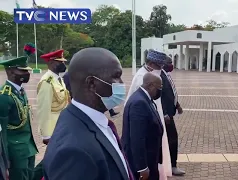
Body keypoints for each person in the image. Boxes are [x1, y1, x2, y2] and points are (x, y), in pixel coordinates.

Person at [43, 47, 133, 180]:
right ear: (92, 84)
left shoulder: (83, 119)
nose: (122, 84)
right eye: (116, 76)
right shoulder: (74, 152)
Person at [126, 49, 172, 179]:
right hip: (145, 156)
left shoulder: (149, 79)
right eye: (159, 66)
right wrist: (142, 167)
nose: (161, 68)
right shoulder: (142, 79)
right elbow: (137, 138)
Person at [34, 49, 70, 180]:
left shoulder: (58, 79)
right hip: (53, 129)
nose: (63, 64)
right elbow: (43, 110)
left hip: (62, 126)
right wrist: (46, 134)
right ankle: (33, 176)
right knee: (52, 158)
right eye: (60, 62)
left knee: (56, 157)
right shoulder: (46, 82)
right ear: (52, 63)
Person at [0, 56, 38, 180]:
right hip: (15, 152)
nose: (27, 73)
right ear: (11, 72)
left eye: (27, 70)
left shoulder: (20, 91)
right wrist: (5, 160)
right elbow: (2, 132)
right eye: (23, 71)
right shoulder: (4, 96)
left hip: (28, 147)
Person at [122, 72, 164, 180]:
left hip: (150, 159)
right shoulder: (139, 103)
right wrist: (142, 168)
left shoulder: (144, 98)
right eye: (159, 88)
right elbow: (137, 138)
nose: (160, 91)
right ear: (150, 85)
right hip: (144, 163)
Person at [160, 57, 185, 176]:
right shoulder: (160, 76)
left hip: (170, 113)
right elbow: (160, 97)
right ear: (163, 64)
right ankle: (172, 165)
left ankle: (169, 164)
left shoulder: (167, 75)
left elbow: (171, 94)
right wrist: (164, 113)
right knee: (172, 139)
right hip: (166, 116)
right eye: (169, 62)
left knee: (170, 139)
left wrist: (177, 105)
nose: (171, 64)